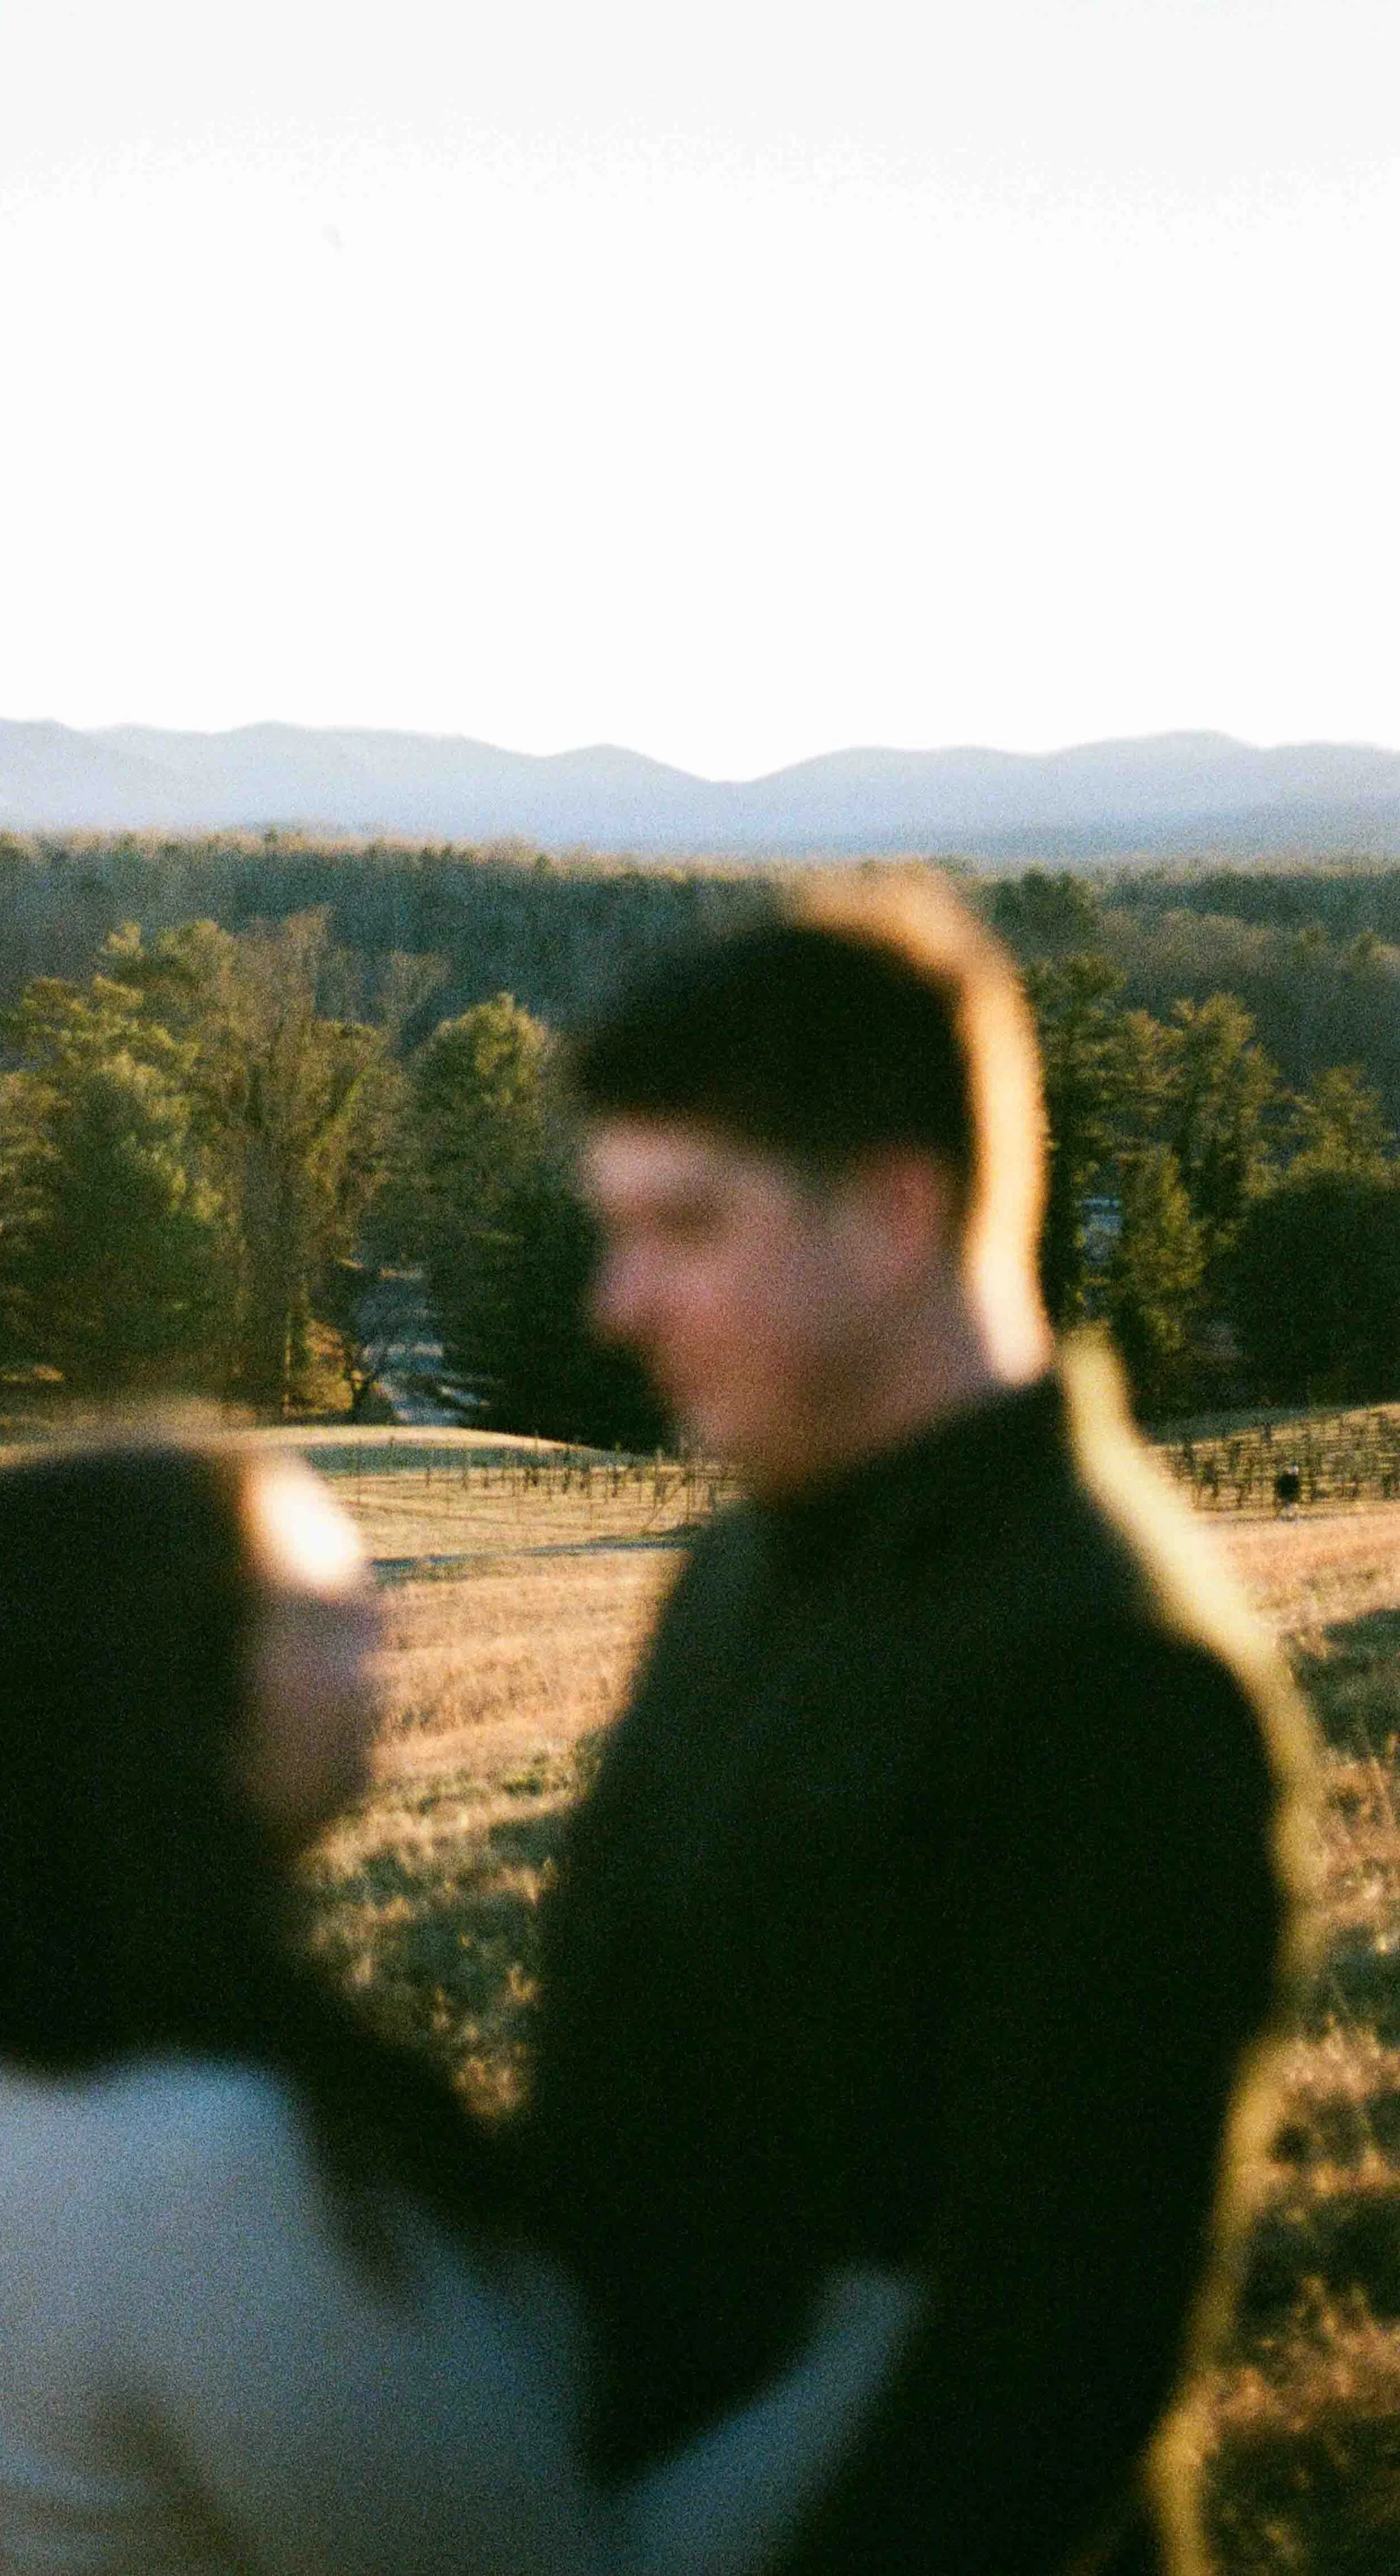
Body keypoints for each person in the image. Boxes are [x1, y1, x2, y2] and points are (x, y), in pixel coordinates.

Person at [525, 875, 1310, 2576]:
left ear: (890, 1215)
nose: (615, 1302)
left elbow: (1041, 2389)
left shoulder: (1111, 1678)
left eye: (683, 1226)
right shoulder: (743, 1562)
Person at [0, 1435, 920, 2576]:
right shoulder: (205, 2165)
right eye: (321, 1608)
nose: (385, 1627)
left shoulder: (30, 2077)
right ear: (164, 1687)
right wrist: (894, 2335)